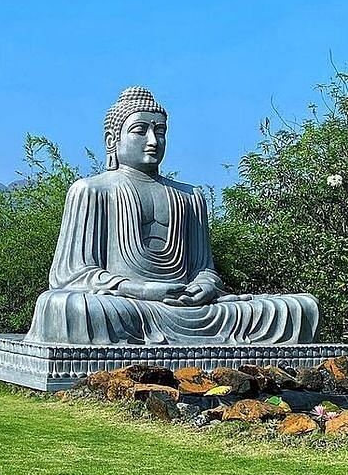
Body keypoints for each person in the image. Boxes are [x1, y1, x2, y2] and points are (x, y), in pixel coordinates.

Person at [25, 86, 319, 345]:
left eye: (161, 131)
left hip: (195, 310)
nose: (153, 141)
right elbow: (71, 275)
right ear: (112, 140)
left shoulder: (190, 197)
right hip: (130, 306)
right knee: (66, 308)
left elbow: (204, 268)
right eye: (140, 130)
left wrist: (204, 288)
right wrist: (141, 290)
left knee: (299, 308)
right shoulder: (91, 191)